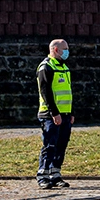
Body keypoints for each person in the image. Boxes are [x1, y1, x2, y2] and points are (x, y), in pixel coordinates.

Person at [36, 39, 73, 189]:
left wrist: (71, 112)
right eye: (65, 49)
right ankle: (43, 175)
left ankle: (55, 174)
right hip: (50, 115)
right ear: (56, 50)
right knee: (49, 145)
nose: (67, 51)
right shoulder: (46, 67)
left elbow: (68, 91)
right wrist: (54, 113)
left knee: (61, 145)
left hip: (65, 114)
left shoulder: (64, 67)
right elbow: (46, 92)